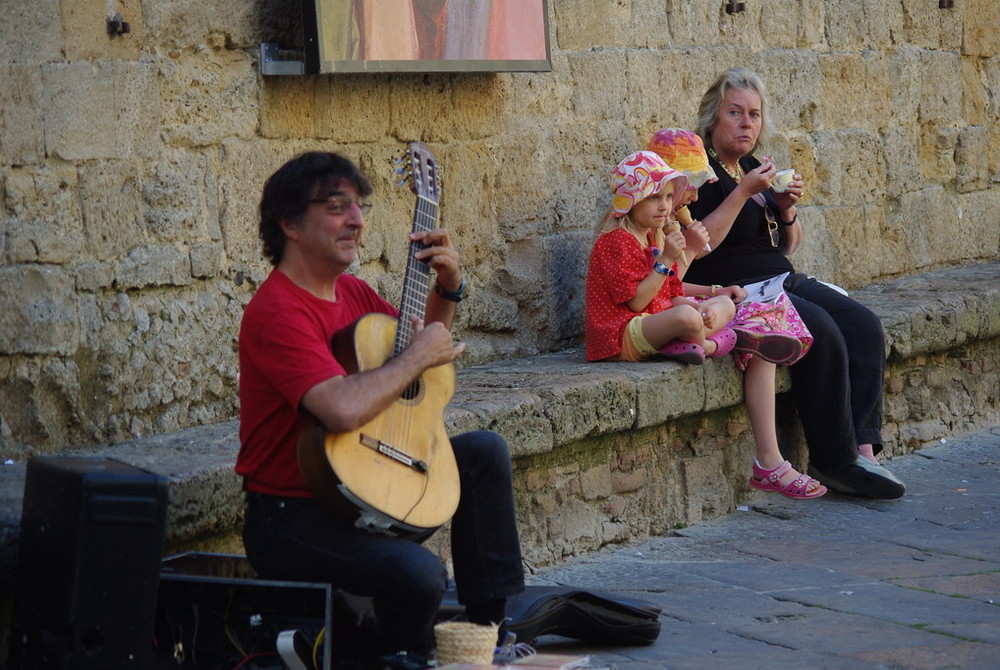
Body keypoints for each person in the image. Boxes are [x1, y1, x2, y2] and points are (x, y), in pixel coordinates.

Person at [236, 151, 525, 669]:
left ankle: (487, 632)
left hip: (369, 482)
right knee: (417, 574)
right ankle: (398, 659)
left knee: (484, 451)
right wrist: (417, 355)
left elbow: (417, 352)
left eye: (360, 206)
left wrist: (448, 285)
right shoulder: (277, 311)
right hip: (293, 515)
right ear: (289, 224)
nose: (357, 220)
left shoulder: (352, 291)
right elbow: (342, 409)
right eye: (336, 207)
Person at [684, 68, 906, 499]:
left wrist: (785, 209)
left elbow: (787, 246)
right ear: (713, 117)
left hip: (780, 276)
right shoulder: (699, 173)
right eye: (735, 112)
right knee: (820, 329)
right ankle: (834, 459)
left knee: (862, 324)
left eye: (754, 114)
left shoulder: (751, 167)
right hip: (737, 286)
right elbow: (701, 245)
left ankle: (864, 450)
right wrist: (743, 193)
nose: (747, 123)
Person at [647, 128, 825, 499]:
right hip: (650, 319)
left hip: (675, 305)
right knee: (709, 315)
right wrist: (688, 254)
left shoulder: (670, 223)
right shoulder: (648, 231)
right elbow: (650, 294)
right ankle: (715, 346)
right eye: (690, 186)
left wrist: (715, 291)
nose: (695, 196)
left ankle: (731, 338)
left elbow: (675, 287)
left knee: (738, 306)